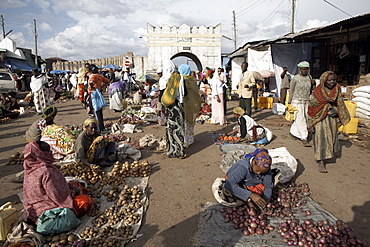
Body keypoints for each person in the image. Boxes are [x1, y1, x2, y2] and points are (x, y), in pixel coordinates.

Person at [23, 141, 77, 224]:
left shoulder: (28, 169)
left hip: (32, 213)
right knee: (84, 202)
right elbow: (57, 196)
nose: (51, 153)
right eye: (48, 151)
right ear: (41, 154)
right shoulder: (47, 171)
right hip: (48, 213)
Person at [307, 71, 350, 173]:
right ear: (324, 80)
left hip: (332, 118)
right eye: (330, 80)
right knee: (321, 139)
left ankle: (327, 155)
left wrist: (340, 114)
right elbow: (313, 104)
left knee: (331, 137)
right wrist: (325, 106)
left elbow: (340, 102)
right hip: (320, 118)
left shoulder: (337, 88)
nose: (332, 82)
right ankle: (321, 161)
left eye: (334, 80)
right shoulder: (318, 91)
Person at [162, 65, 187, 159]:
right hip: (177, 106)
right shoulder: (179, 78)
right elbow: (185, 92)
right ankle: (179, 152)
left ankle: (170, 151)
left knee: (170, 128)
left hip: (168, 107)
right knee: (178, 128)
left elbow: (161, 95)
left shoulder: (163, 79)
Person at [288, 61, 314, 147]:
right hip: (296, 101)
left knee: (305, 118)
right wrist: (289, 102)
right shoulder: (295, 78)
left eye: (306, 69)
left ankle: (293, 132)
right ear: (300, 69)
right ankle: (304, 138)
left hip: (306, 101)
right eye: (303, 69)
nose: (304, 71)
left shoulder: (309, 78)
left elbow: (310, 90)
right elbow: (291, 90)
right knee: (300, 119)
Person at [178, 64, 201, 148]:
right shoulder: (193, 80)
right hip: (192, 103)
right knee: (190, 121)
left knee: (184, 122)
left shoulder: (180, 80)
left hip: (184, 103)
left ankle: (184, 142)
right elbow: (195, 93)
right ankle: (190, 139)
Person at [87, 64, 110, 132]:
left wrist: (92, 88)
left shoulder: (92, 76)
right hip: (99, 92)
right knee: (99, 110)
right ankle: (101, 126)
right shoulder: (100, 76)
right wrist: (101, 87)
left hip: (94, 94)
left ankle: (99, 128)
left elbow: (91, 82)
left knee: (96, 111)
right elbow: (108, 81)